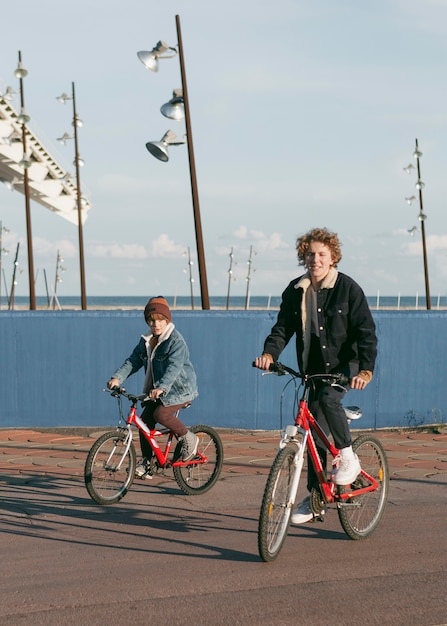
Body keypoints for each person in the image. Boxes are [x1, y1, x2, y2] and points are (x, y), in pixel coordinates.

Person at [254, 227, 377, 524]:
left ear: (333, 257)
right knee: (312, 435)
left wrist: (366, 369)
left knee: (327, 399)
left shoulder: (348, 289)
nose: (315, 259)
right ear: (303, 257)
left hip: (346, 366)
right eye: (310, 254)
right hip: (313, 371)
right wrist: (270, 355)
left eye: (322, 254)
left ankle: (347, 455)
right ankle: (317, 496)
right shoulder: (295, 290)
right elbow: (282, 329)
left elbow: (366, 332)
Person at [107, 296, 199, 479]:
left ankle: (189, 437)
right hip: (158, 390)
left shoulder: (176, 342)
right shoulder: (147, 341)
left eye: (160, 320)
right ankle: (147, 462)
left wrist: (162, 387)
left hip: (180, 390)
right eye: (151, 320)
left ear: (167, 320)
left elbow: (173, 368)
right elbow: (133, 362)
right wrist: (117, 378)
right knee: (144, 422)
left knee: (160, 415)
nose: (155, 324)